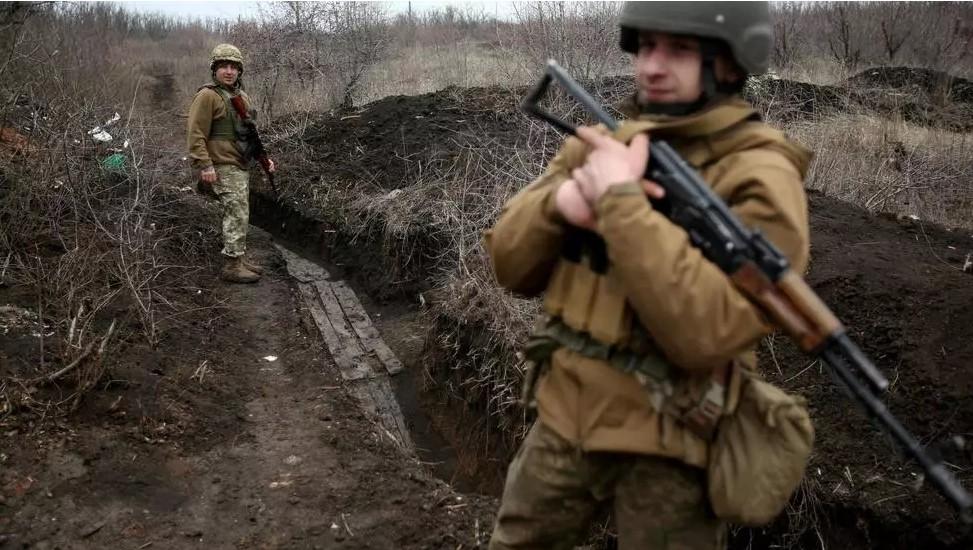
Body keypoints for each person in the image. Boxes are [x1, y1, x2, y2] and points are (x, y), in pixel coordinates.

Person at [485, 2, 811, 548]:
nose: (652, 66)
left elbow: (707, 333)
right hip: (565, 417)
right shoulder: (606, 143)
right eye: (647, 46)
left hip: (672, 438)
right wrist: (561, 203)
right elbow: (509, 266)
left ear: (729, 64)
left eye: (679, 49)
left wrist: (620, 202)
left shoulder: (760, 175)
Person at [187, 43, 275, 284]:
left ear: (239, 71)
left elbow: (249, 134)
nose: (228, 71)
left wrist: (264, 159)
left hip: (240, 163)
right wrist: (205, 165)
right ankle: (232, 265)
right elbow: (195, 133)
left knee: (241, 212)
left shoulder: (241, 96)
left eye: (233, 67)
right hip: (222, 164)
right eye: (223, 66)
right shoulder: (208, 96)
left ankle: (238, 258)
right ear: (214, 70)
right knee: (236, 212)